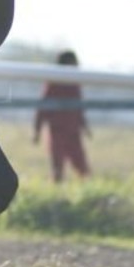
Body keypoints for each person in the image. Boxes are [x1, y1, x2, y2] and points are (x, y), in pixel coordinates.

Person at [33, 50, 91, 183]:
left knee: (82, 166)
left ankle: (86, 190)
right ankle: (57, 192)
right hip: (57, 131)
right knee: (57, 167)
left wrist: (85, 126)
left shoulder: (75, 84)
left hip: (73, 132)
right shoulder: (54, 83)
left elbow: (79, 108)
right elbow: (43, 108)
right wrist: (37, 130)